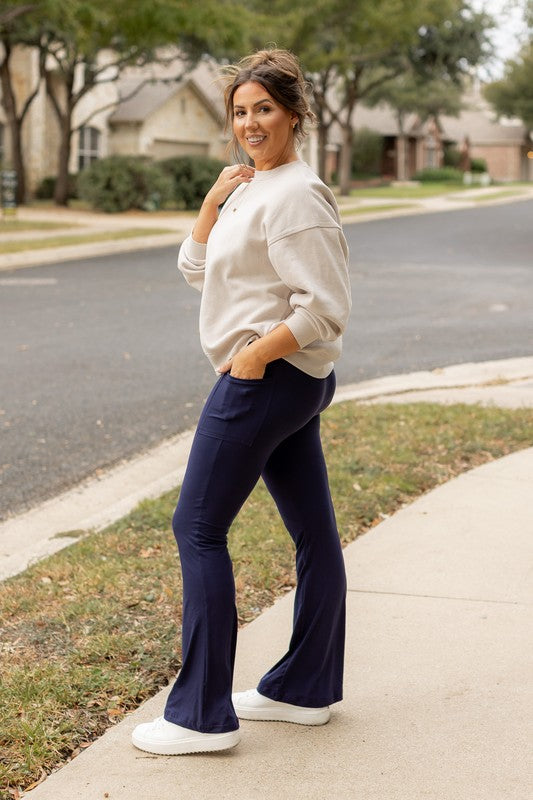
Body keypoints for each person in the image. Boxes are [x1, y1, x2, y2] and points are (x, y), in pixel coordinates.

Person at [132, 48, 351, 756]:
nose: (250, 122)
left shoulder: (296, 194)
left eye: (263, 109)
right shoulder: (253, 186)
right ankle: (304, 689)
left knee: (196, 527)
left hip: (267, 380)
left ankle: (199, 716)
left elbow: (325, 309)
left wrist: (252, 357)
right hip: (283, 383)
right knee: (312, 533)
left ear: (293, 113)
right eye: (239, 111)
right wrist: (211, 202)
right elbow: (196, 271)